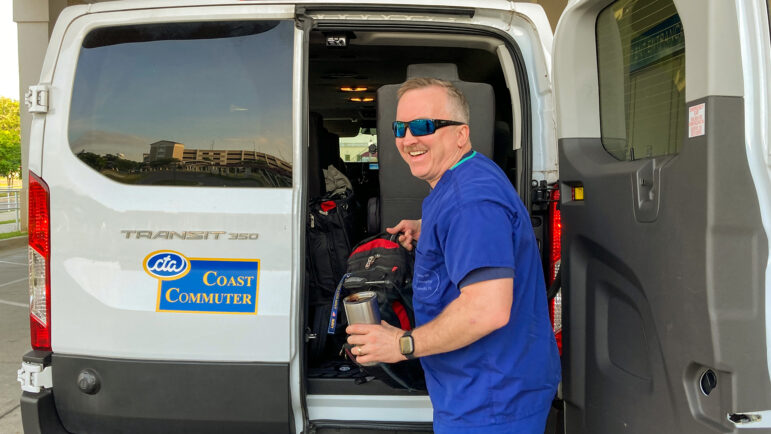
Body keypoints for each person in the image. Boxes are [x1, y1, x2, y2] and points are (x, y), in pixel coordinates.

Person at [346, 77, 561, 433]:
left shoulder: (470, 202)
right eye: (400, 128)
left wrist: (402, 343)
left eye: (423, 126)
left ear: (461, 134)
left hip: (490, 402)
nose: (408, 139)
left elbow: (486, 310)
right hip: (482, 390)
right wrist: (429, 229)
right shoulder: (468, 174)